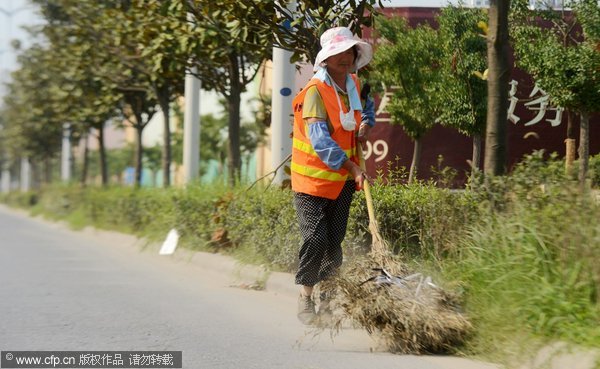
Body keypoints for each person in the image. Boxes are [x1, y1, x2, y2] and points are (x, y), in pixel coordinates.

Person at [290, 26, 375, 325]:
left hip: (341, 183)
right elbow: (321, 141)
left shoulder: (354, 83)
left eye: (349, 51)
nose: (345, 57)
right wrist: (353, 167)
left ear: (355, 55)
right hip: (311, 182)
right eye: (337, 52)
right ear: (325, 59)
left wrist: (365, 124)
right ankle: (306, 297)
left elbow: (367, 107)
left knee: (334, 242)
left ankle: (327, 298)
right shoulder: (314, 92)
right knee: (315, 238)